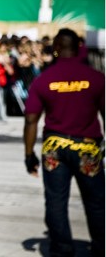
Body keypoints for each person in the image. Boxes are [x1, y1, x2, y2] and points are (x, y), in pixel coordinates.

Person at [23, 28, 104, 257]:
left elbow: (31, 120)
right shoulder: (97, 78)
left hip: (54, 149)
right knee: (96, 203)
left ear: (56, 49)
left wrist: (29, 155)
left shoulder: (43, 80)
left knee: (56, 202)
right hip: (87, 148)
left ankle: (62, 250)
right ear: (79, 48)